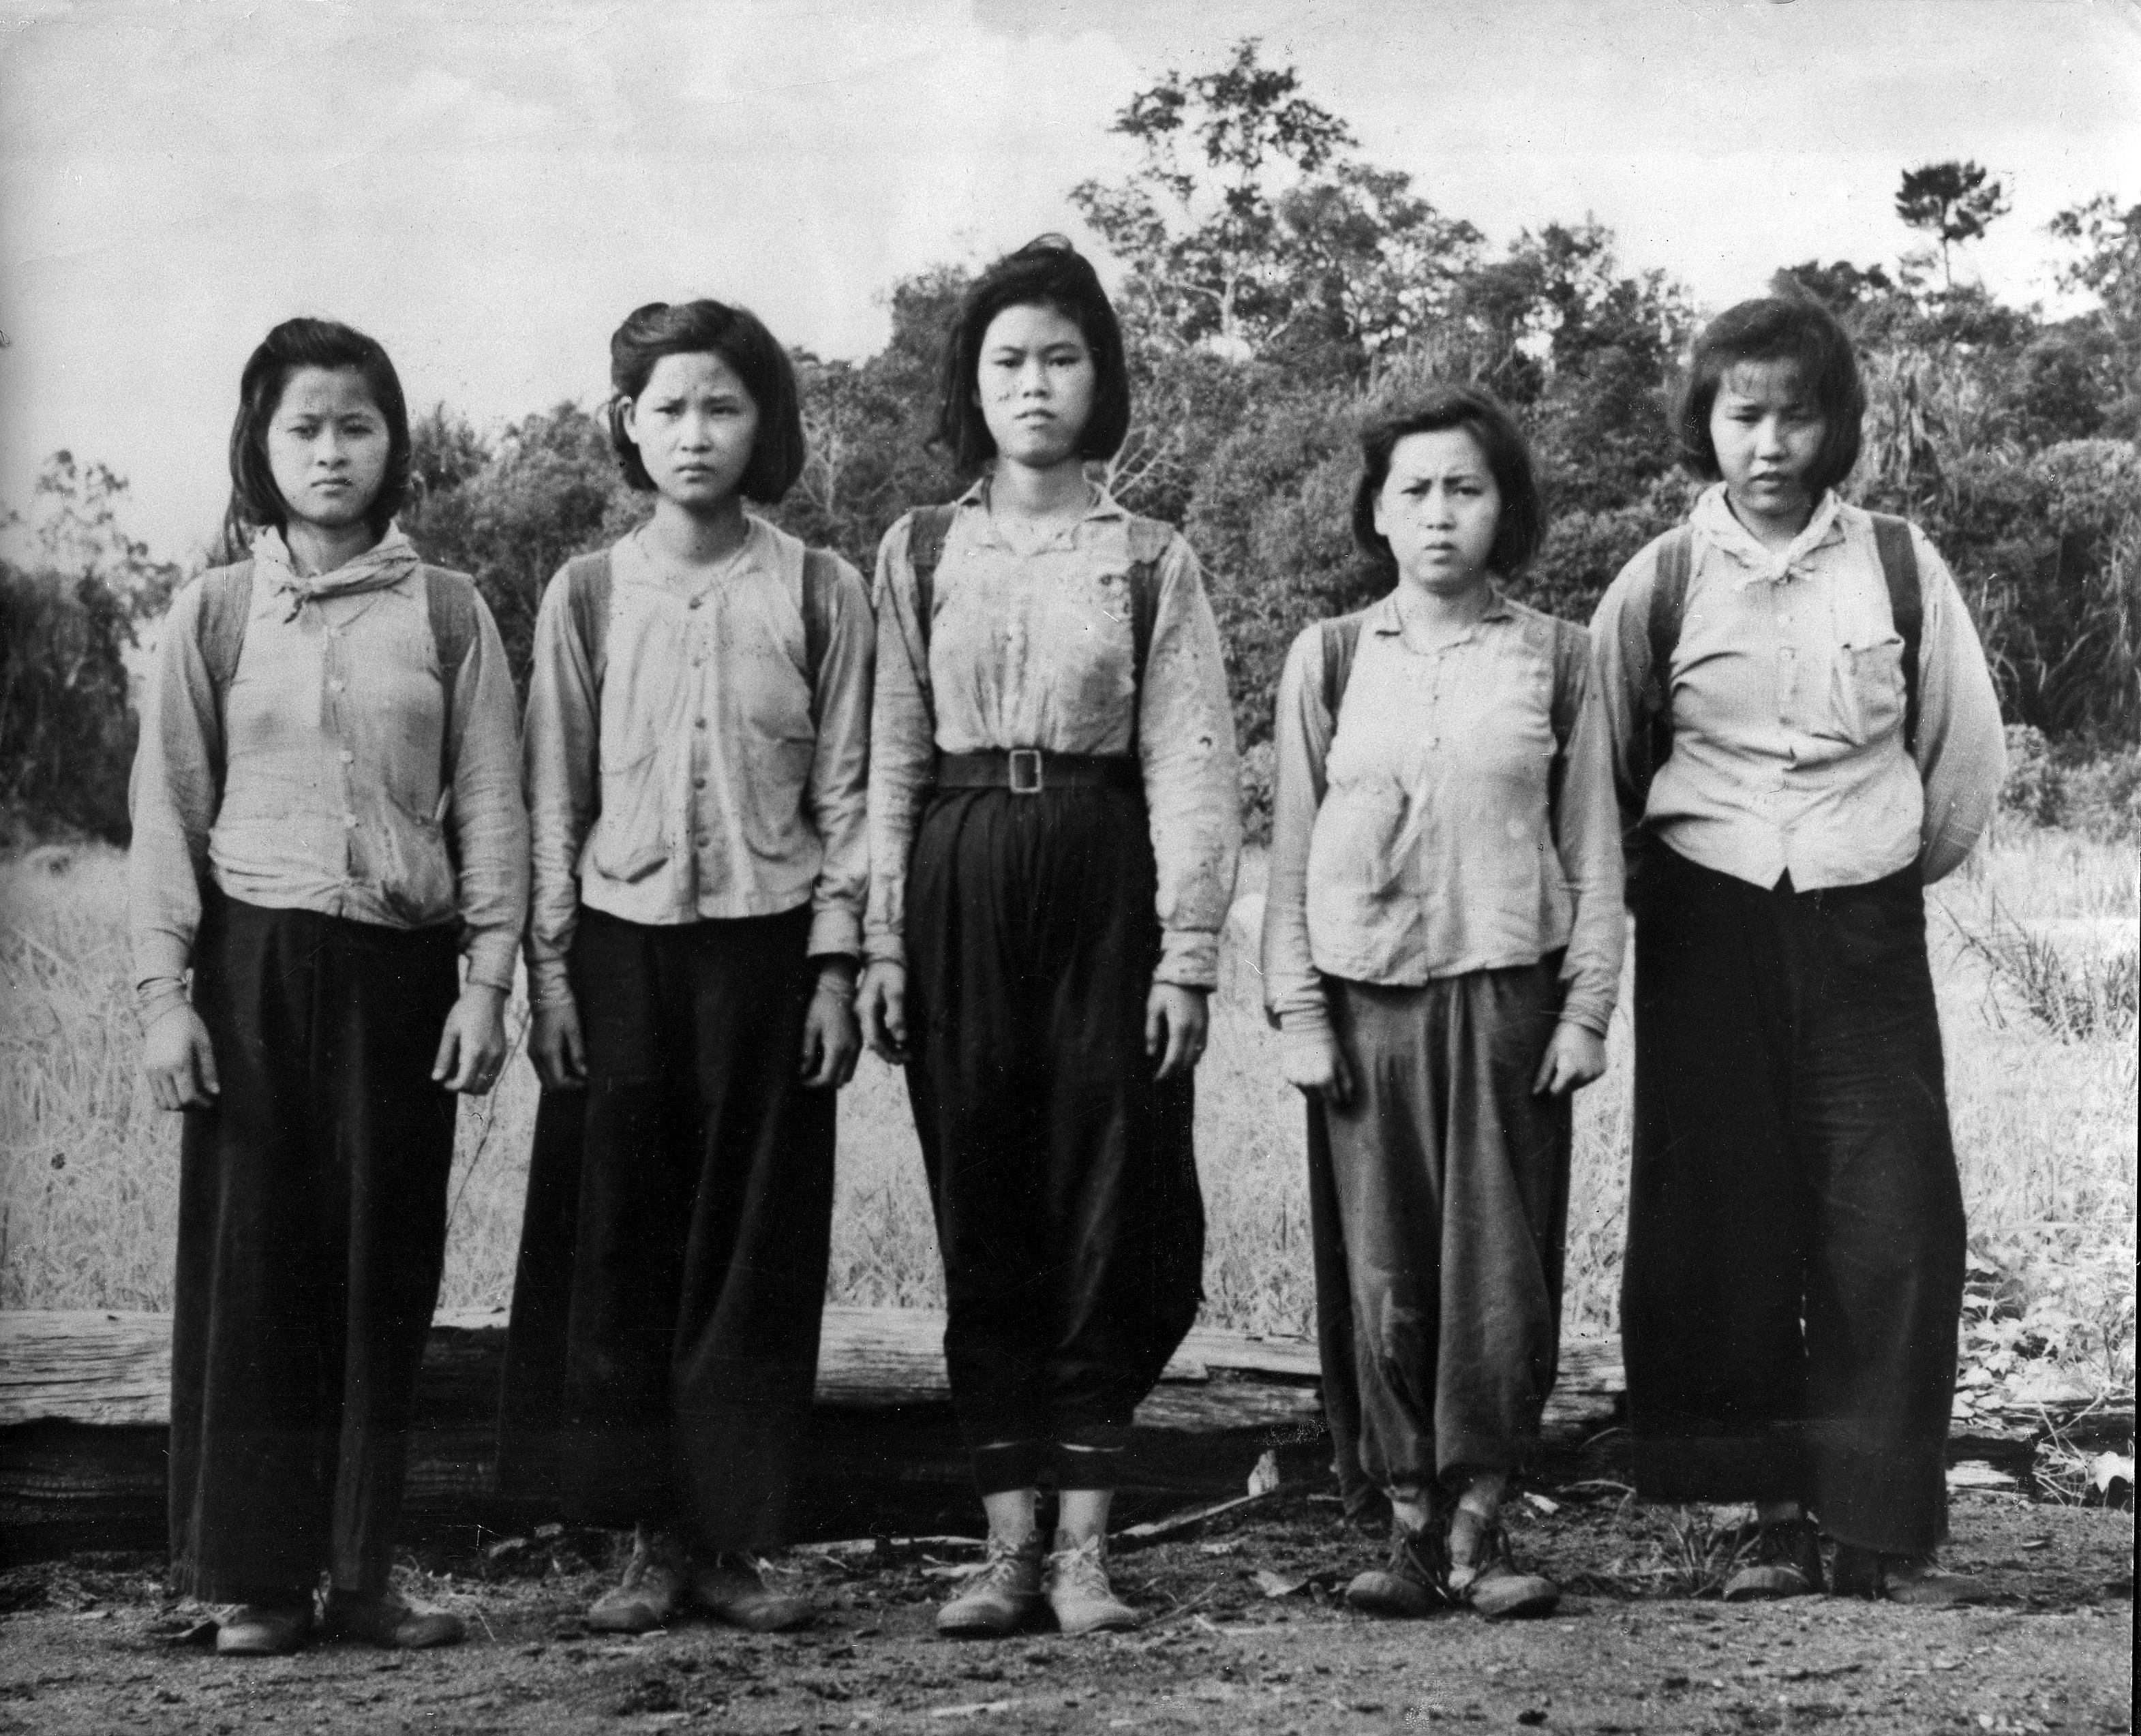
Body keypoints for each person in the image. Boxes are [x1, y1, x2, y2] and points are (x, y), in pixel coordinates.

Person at [1592, 296, 2005, 1604]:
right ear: (1705, 423)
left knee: (1894, 1220)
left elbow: (1959, 756)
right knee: (1726, 1217)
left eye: (1797, 415)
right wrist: (1679, 895)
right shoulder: (1660, 578)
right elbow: (1606, 764)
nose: (1769, 443)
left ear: (1836, 427)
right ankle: (1767, 1523)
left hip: (1860, 927)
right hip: (1704, 927)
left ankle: (1880, 1532)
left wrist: (1866, 871)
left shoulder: (1897, 564)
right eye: (1743, 415)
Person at [857, 236, 1241, 1639]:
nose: (1034, 384)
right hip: (958, 875)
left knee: (1110, 1204)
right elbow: (891, 753)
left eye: (1061, 359)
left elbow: (1191, 761)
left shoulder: (1148, 558)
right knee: (986, 1204)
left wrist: (1185, 950)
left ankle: (1084, 1549)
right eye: (1007, 359)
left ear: (1100, 379)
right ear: (971, 381)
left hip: (1100, 874)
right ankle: (1003, 1544)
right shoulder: (918, 548)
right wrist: (884, 939)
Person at [130, 318, 527, 1656]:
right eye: (304, 426)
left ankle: (362, 1578)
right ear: (261, 444)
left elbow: (491, 804)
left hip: (401, 978)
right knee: (256, 1274)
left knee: (379, 1273)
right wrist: (164, 996)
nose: (331, 450)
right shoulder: (215, 611)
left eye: (358, 424)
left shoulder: (450, 611)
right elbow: (168, 810)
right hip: (252, 974)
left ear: (392, 443)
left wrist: (486, 980)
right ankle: (253, 1581)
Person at [498, 298, 871, 1635]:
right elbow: (553, 794)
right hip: (622, 956)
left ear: (763, 424)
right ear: (628, 423)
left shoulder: (821, 587)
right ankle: (643, 1543)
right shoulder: (588, 593)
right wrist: (550, 976)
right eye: (669, 408)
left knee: (752, 1252)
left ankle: (735, 1540)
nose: (696, 432)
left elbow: (849, 792)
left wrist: (834, 968)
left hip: (770, 958)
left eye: (724, 405)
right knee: (622, 1248)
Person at [1260, 389, 1623, 1621]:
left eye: (1463, 488)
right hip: (1364, 1008)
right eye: (1411, 490)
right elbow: (1291, 849)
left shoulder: (1560, 658)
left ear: (1501, 508)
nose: (1437, 513)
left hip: (1509, 1001)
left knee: (1498, 1277)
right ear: (1375, 511)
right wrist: (1299, 1013)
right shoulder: (1329, 656)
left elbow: (1593, 849)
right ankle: (1406, 1524)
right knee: (1379, 1272)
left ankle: (1482, 1522)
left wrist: (1584, 1013)